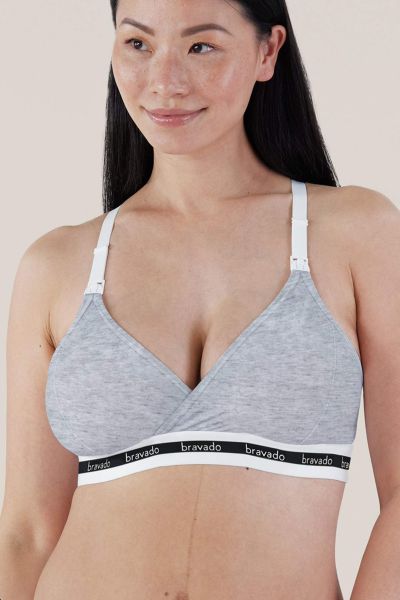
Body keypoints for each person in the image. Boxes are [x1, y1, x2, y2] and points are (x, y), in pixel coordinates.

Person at [1, 0, 399, 598]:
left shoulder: (352, 232)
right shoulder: (57, 265)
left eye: (201, 46)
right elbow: (27, 532)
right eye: (138, 44)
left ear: (268, 52)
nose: (165, 81)